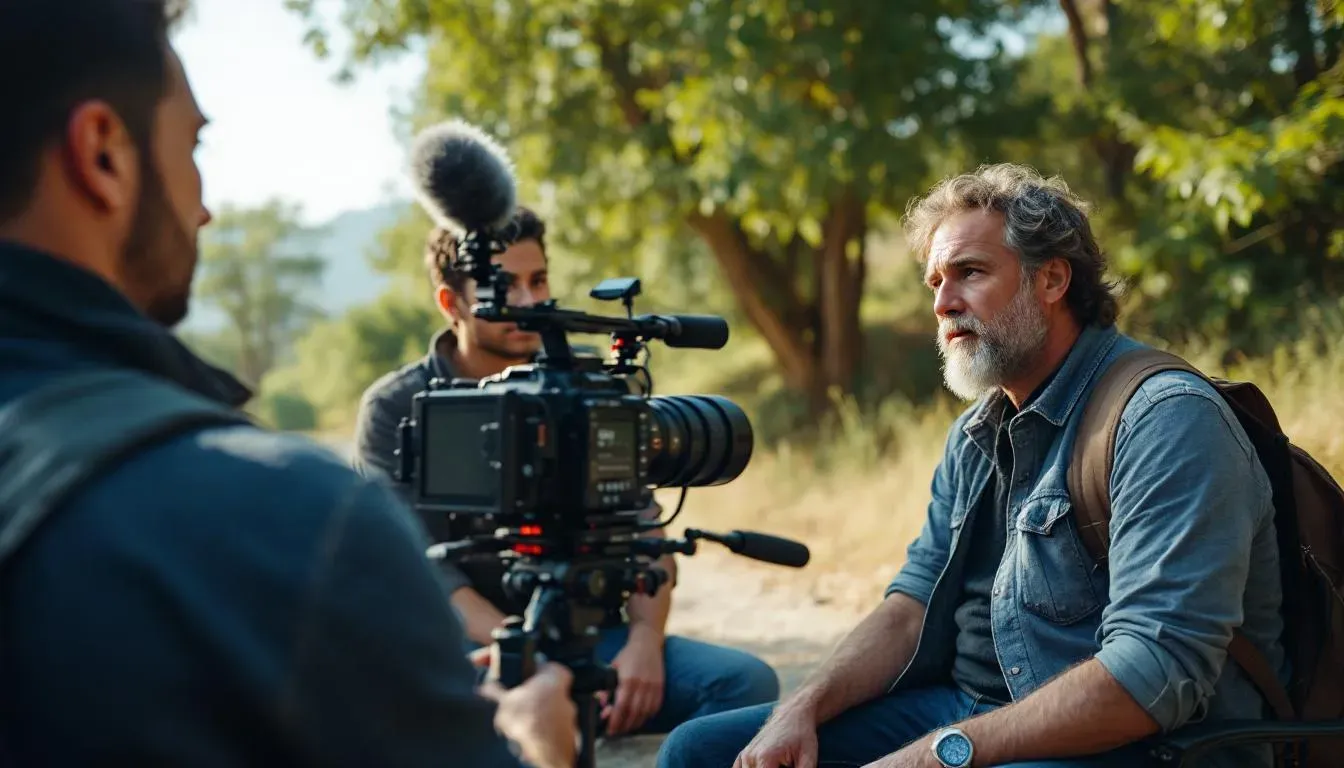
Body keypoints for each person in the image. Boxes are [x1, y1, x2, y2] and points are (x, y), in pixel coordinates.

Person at [0, 2, 579, 766]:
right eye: (193, 144)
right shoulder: (294, 522)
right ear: (104, 154)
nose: (204, 208)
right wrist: (540, 749)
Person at [656, 164, 1287, 768]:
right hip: (974, 709)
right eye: (935, 282)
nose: (943, 303)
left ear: (1052, 281)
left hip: (1130, 745)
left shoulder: (1164, 418)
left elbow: (1157, 670)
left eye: (970, 272)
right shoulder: (976, 433)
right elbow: (911, 605)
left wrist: (943, 752)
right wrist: (803, 708)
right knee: (700, 752)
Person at [351, 215, 782, 738]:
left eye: (538, 281)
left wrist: (644, 642)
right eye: (504, 285)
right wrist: (530, 660)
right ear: (452, 302)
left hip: (589, 636)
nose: (529, 303)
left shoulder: (587, 379)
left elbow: (641, 525)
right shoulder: (397, 407)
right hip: (475, 645)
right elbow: (424, 571)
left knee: (743, 684)